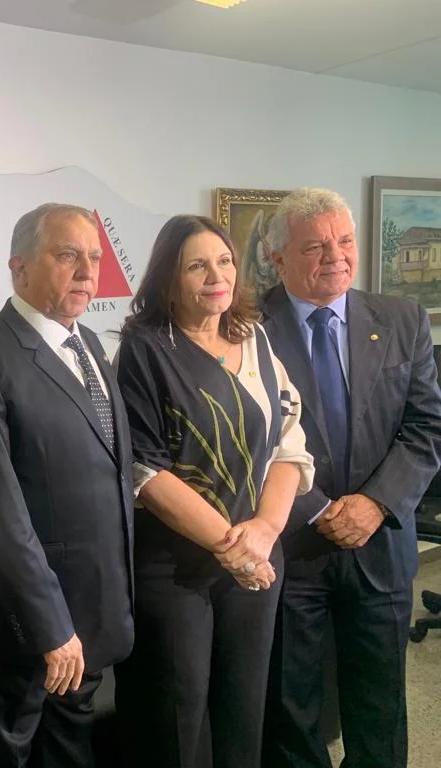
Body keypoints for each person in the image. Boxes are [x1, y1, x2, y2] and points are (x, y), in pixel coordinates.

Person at [0, 203, 134, 768]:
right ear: (18, 267)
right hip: (24, 630)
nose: (87, 272)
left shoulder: (89, 343)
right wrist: (49, 624)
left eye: (94, 257)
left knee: (71, 755)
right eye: (67, 255)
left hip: (89, 620)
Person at [112, 214, 314, 768]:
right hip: (177, 567)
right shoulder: (144, 350)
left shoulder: (255, 338)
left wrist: (265, 530)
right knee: (178, 718)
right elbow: (146, 471)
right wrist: (234, 547)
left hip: (257, 556)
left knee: (243, 709)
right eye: (196, 266)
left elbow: (288, 443)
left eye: (224, 261)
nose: (216, 276)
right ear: (169, 278)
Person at [260, 188, 441, 768]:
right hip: (291, 546)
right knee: (291, 708)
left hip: (379, 545)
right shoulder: (245, 327)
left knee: (379, 706)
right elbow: (247, 444)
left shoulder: (402, 319)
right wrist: (316, 508)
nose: (335, 256)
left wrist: (375, 504)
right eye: (314, 246)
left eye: (344, 240)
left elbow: (426, 427)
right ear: (278, 258)